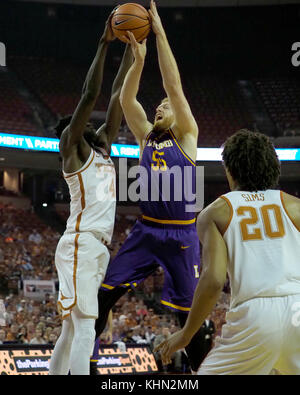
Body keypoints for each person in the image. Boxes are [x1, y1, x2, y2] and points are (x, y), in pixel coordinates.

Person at [91, 0, 203, 374]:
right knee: (105, 294)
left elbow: (173, 83)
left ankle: (200, 369)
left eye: (165, 105)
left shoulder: (186, 135)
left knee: (191, 319)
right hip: (146, 230)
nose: (159, 106)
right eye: (158, 105)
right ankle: (88, 358)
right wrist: (136, 63)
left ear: (179, 113)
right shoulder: (145, 138)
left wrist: (159, 34)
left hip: (181, 235)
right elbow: (126, 99)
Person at [155, 129, 300, 375]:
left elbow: (213, 280)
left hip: (255, 316)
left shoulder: (216, 213)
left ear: (229, 171)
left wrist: (186, 334)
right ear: (274, 167)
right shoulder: (295, 206)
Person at [48, 10, 133, 375]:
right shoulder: (73, 150)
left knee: (71, 328)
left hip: (94, 246)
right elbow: (92, 92)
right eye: (83, 123)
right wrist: (104, 43)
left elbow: (116, 94)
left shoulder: (101, 149)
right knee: (85, 328)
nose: (93, 124)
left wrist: (133, 46)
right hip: (81, 242)